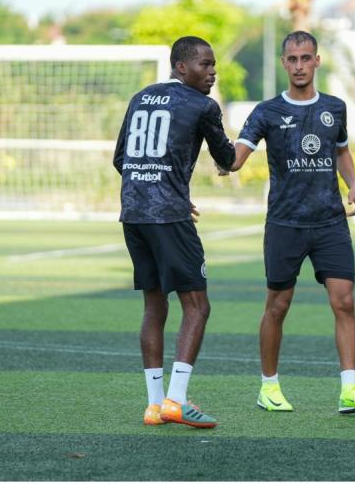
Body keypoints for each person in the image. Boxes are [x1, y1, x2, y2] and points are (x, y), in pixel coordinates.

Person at [229, 30, 355, 415]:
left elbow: (341, 149)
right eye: (292, 59)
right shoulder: (266, 112)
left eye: (305, 58)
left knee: (344, 301)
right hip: (285, 224)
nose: (299, 66)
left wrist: (354, 186)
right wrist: (218, 152)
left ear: (317, 61)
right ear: (283, 63)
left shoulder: (335, 107)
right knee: (278, 306)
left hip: (330, 221)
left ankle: (350, 390)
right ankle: (269, 387)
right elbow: (236, 157)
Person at [113, 36, 235, 428]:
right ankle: (177, 400)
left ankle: (153, 405)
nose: (212, 72)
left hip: (133, 214)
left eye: (214, 65)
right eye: (205, 64)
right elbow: (228, 158)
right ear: (181, 67)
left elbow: (121, 159)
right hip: (168, 217)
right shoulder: (203, 105)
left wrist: (155, 188)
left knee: (154, 304)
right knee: (198, 306)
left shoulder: (140, 97)